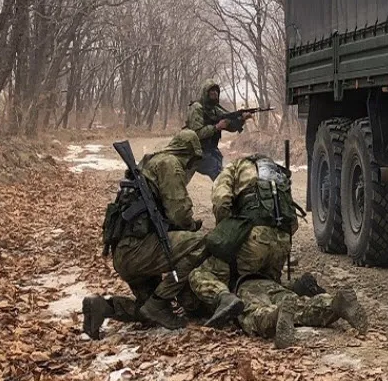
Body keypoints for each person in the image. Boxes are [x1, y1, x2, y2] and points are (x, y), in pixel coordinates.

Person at [85, 130, 209, 339]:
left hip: (126, 253)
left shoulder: (149, 164)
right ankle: (160, 302)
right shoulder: (170, 163)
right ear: (189, 153)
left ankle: (104, 307)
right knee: (204, 242)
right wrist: (190, 227)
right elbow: (179, 213)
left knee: (147, 312)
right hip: (140, 249)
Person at [189, 153, 301, 327]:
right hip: (283, 241)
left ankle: (228, 301)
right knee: (264, 285)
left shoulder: (236, 167)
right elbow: (293, 222)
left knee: (202, 275)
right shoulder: (278, 174)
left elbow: (221, 201)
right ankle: (295, 298)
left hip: (254, 238)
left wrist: (228, 233)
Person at [233, 272, 368, 349]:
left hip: (244, 286)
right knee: (298, 306)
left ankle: (274, 316)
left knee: (252, 313)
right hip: (271, 282)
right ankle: (333, 304)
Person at [185, 79, 241, 180]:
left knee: (220, 173)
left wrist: (242, 119)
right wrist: (216, 127)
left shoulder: (215, 110)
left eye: (216, 91)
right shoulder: (197, 108)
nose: (215, 93)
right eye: (212, 91)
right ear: (206, 93)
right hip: (193, 150)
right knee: (179, 181)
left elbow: (231, 126)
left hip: (208, 150)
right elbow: (196, 133)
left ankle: (221, 189)